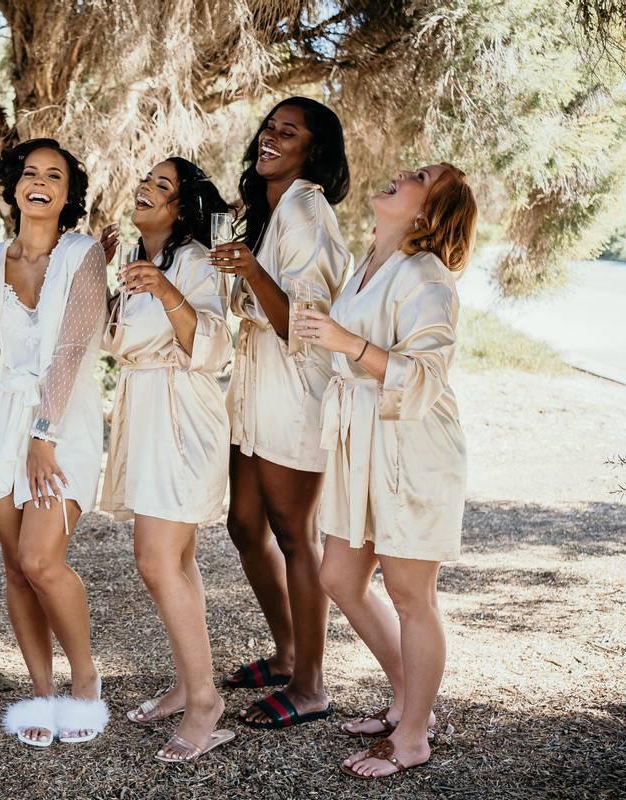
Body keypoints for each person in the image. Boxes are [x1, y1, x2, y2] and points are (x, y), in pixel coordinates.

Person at [294, 163, 477, 779]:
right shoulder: (369, 265)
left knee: (410, 595)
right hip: (362, 445)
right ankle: (405, 696)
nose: (403, 171)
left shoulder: (430, 278)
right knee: (340, 576)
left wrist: (347, 344)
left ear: (428, 214)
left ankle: (415, 736)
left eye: (420, 175)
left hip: (413, 449)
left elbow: (425, 375)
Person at [0, 138, 108, 748]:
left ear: (67, 195)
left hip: (62, 422)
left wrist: (44, 435)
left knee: (43, 559)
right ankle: (41, 691)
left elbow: (69, 350)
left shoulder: (84, 254)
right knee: (17, 569)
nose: (39, 183)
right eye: (30, 173)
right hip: (2, 417)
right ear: (14, 186)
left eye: (54, 176)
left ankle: (85, 680)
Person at [214, 96, 352, 729]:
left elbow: (306, 326)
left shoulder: (306, 208)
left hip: (296, 387)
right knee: (245, 522)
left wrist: (247, 268)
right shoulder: (268, 210)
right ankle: (287, 649)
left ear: (312, 150)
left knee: (296, 534)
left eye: (287, 132)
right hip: (254, 382)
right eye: (268, 127)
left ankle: (311, 685)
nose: (270, 137)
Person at [98, 157, 236, 762]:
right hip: (144, 409)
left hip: (185, 413)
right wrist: (99, 275)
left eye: (162, 186)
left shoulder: (197, 263)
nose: (145, 189)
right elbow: (112, 339)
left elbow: (211, 342)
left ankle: (207, 702)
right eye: (144, 180)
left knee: (155, 560)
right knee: (177, 559)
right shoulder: (137, 261)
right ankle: (187, 683)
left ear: (182, 208)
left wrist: (165, 288)